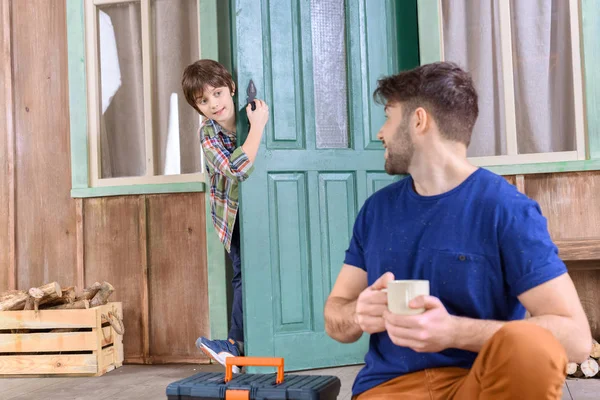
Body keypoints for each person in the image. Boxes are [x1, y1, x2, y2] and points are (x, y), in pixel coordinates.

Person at [323, 62, 592, 399]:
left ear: (418, 121)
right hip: (389, 388)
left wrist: (454, 331)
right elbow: (335, 316)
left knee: (533, 348)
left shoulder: (506, 209)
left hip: (481, 384)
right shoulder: (376, 211)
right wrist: (358, 314)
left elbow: (577, 340)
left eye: (389, 117)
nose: (381, 133)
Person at [182, 59, 269, 373]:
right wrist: (258, 128)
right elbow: (236, 170)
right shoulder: (208, 134)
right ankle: (237, 344)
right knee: (243, 275)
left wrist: (255, 124)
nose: (214, 104)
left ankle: (239, 343)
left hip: (266, 206)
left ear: (231, 88)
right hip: (231, 216)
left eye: (217, 93)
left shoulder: (252, 112)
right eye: (203, 101)